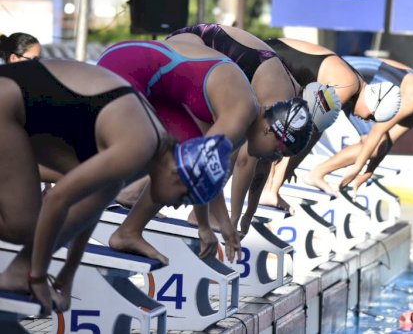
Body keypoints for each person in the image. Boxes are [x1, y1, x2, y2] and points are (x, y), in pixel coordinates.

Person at [0, 58, 232, 316]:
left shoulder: (148, 152)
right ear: (178, 175)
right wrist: (39, 277)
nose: (177, 205)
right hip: (7, 103)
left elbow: (88, 211)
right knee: (22, 224)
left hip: (22, 109)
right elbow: (58, 198)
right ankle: (23, 272)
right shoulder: (139, 146)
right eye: (185, 199)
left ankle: (19, 270)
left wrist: (68, 273)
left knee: (42, 215)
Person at [98, 38, 313, 264]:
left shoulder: (244, 123)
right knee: (130, 154)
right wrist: (204, 227)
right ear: (271, 130)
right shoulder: (242, 112)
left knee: (176, 160)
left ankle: (128, 232)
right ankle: (64, 191)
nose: (274, 159)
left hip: (156, 83)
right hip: (128, 65)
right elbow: (197, 167)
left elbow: (208, 174)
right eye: (278, 152)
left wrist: (224, 224)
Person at [166, 24, 319, 232]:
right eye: (278, 151)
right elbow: (245, 162)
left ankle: (200, 210)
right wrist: (234, 218)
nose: (276, 157)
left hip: (193, 54)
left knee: (229, 138)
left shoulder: (284, 113)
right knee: (225, 140)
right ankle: (196, 211)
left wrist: (248, 215)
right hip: (186, 45)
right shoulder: (277, 98)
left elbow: (263, 163)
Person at [250, 37, 401, 220]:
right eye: (371, 116)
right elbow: (294, 128)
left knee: (309, 130)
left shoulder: (354, 86)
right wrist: (275, 177)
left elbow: (310, 135)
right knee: (286, 127)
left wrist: (286, 171)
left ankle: (271, 188)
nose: (367, 120)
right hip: (262, 55)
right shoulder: (348, 86)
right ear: (372, 103)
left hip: (270, 60)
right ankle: (266, 190)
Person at [304, 55, 413, 195]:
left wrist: (368, 172)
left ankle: (316, 174)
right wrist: (358, 166)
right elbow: (379, 130)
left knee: (375, 146)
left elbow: (387, 141)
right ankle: (301, 169)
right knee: (312, 118)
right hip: (350, 72)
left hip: (364, 91)